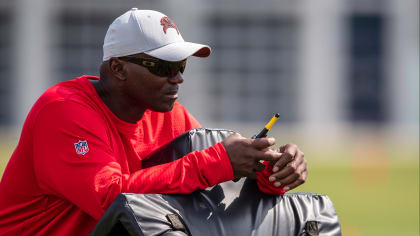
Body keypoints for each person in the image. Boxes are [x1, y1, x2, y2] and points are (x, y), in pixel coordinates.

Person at [0, 8, 308, 235]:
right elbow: (111, 198)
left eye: (181, 65)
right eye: (162, 67)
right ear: (118, 69)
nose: (178, 79)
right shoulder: (63, 111)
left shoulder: (168, 115)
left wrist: (271, 172)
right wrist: (218, 162)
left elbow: (216, 185)